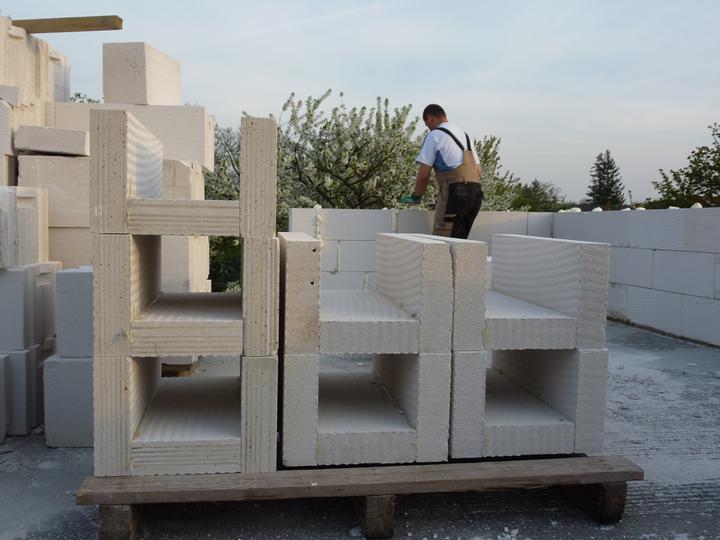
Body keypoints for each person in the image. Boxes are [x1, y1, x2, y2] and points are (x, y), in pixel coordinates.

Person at [400, 104, 483, 239]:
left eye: (427, 124)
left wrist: (416, 196)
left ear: (430, 119)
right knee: (460, 243)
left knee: (442, 243)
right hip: (475, 195)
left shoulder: (434, 135)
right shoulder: (464, 135)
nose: (428, 128)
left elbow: (423, 176)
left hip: (455, 194)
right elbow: (478, 171)